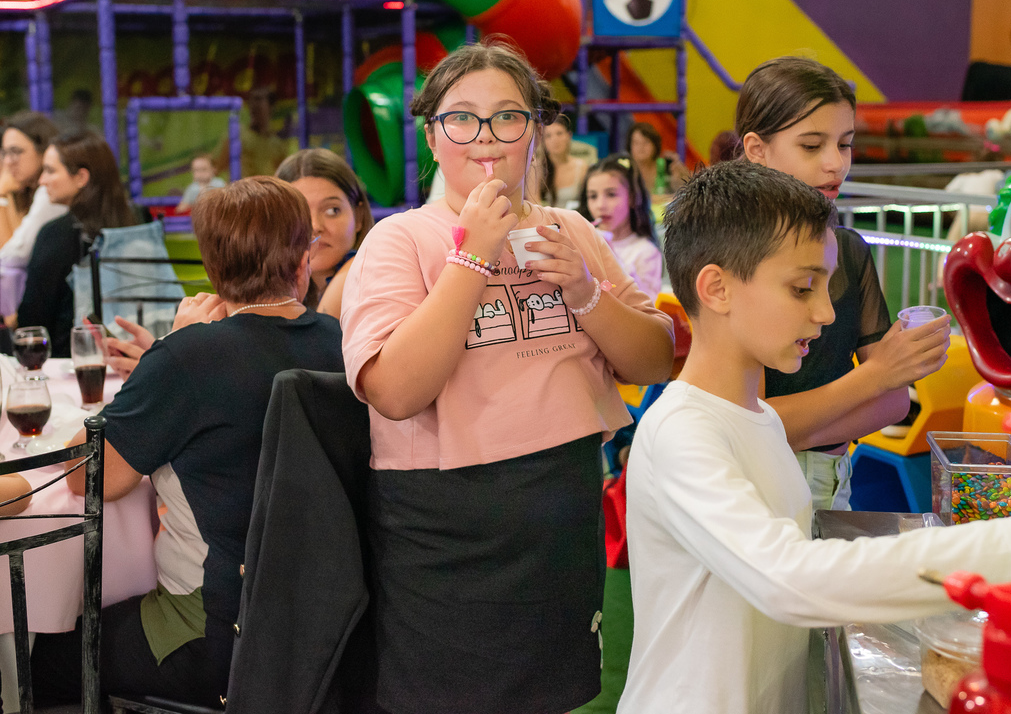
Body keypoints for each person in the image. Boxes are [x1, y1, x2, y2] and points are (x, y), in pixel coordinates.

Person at [617, 161, 1011, 714]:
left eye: (827, 286)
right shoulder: (681, 432)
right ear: (716, 287)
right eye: (802, 288)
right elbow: (788, 578)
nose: (824, 312)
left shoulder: (757, 417)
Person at [340, 40, 674, 714]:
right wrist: (472, 259)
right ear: (434, 136)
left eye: (508, 117)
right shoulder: (400, 240)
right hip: (444, 528)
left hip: (561, 516)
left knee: (556, 695)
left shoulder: (572, 231)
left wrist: (583, 289)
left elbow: (653, 359)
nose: (485, 136)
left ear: (536, 134)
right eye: (462, 118)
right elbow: (396, 392)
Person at [31, 176, 345, 708]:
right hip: (331, 619)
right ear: (303, 260)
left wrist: (173, 346)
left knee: (44, 658)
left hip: (217, 630)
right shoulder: (344, 342)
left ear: (212, 271)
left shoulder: (190, 357)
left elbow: (95, 478)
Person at [738, 56, 949, 511]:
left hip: (836, 478)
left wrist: (796, 423)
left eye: (845, 144)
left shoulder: (849, 251)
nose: (835, 163)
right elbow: (751, 423)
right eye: (812, 146)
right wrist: (871, 378)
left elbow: (894, 402)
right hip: (760, 485)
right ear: (757, 149)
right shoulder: (739, 258)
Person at [16, 132, 136, 356]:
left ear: (81, 177)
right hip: (132, 357)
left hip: (67, 363)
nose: (41, 181)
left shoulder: (56, 235)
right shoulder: (137, 224)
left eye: (50, 170)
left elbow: (32, 322)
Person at [276, 147, 374, 318]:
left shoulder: (368, 274)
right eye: (300, 213)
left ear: (358, 217)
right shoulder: (268, 292)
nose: (315, 226)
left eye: (332, 210)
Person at [578, 152, 662, 298]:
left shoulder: (646, 252)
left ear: (631, 197)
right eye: (592, 196)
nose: (600, 205)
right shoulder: (586, 241)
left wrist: (611, 256)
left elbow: (648, 307)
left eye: (611, 194)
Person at [0, 112, 64, 271]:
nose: (8, 162)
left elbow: (11, 258)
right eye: (5, 153)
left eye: (16, 152)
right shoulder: (25, 190)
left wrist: (0, 195)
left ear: (43, 150)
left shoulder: (50, 192)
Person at [215, 87, 292, 180]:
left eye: (259, 105)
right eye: (252, 105)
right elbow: (217, 166)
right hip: (240, 192)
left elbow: (282, 176)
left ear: (271, 108)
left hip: (267, 192)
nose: (254, 107)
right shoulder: (236, 133)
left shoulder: (277, 143)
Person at [541, 113, 589, 207]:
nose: (554, 140)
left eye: (559, 133)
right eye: (548, 136)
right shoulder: (537, 168)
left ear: (569, 135)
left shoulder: (581, 167)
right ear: (543, 141)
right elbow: (535, 203)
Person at [627, 121, 688, 194]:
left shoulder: (668, 166)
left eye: (646, 142)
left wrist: (681, 172)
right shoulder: (625, 170)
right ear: (630, 147)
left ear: (655, 145)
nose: (641, 147)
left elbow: (685, 191)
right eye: (636, 143)